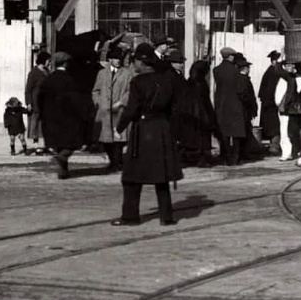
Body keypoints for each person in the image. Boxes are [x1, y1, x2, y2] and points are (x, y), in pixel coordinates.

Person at [114, 42, 182, 226]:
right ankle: (166, 217)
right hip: (162, 129)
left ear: (141, 62)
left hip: (143, 130)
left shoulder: (138, 82)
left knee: (131, 177)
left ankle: (130, 216)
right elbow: (175, 107)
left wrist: (119, 127)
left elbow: (132, 109)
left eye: (134, 60)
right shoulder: (167, 80)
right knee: (161, 176)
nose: (133, 64)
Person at [37, 51, 90, 179]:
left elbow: (40, 98)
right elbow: (76, 100)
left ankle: (63, 170)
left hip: (51, 119)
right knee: (72, 144)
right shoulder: (70, 80)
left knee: (59, 144)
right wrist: (83, 114)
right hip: (68, 118)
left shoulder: (48, 79)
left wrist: (43, 113)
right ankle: (62, 157)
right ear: (66, 63)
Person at [92, 49, 135, 172]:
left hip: (119, 110)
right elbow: (96, 91)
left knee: (119, 139)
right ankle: (113, 161)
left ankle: (117, 162)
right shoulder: (101, 73)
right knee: (106, 139)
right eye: (115, 59)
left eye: (119, 59)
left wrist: (122, 102)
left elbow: (130, 91)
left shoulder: (126, 74)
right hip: (105, 111)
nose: (118, 61)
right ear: (110, 60)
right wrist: (99, 102)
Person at [177, 59, 217, 166]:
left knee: (191, 137)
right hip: (201, 113)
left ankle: (189, 157)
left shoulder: (189, 82)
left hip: (190, 113)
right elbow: (205, 101)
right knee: (202, 138)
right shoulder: (201, 83)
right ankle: (202, 158)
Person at [213, 46, 246, 165]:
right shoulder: (235, 71)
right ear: (231, 57)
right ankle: (235, 158)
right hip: (235, 104)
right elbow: (240, 89)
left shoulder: (216, 70)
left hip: (221, 104)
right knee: (236, 133)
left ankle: (225, 157)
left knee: (224, 132)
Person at [258, 50, 285, 154]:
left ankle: (274, 146)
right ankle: (274, 147)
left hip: (269, 104)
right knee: (275, 126)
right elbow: (271, 90)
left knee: (271, 126)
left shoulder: (270, 71)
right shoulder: (274, 73)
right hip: (272, 105)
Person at [25, 50, 51, 153]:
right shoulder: (33, 73)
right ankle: (36, 146)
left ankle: (43, 145)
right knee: (35, 124)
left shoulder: (47, 72)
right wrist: (29, 103)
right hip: (35, 103)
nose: (49, 63)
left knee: (43, 125)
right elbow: (28, 89)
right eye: (48, 60)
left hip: (45, 103)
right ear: (43, 61)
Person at [273, 60, 297, 161]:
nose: (289, 67)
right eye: (287, 65)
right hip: (283, 108)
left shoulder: (293, 77)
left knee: (291, 131)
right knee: (284, 131)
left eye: (291, 65)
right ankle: (286, 152)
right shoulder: (283, 78)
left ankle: (292, 151)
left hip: (291, 108)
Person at [237, 56, 260, 159]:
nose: (249, 70)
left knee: (244, 131)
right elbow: (248, 96)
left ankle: (243, 153)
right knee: (245, 132)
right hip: (245, 110)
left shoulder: (239, 79)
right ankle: (243, 154)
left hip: (242, 110)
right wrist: (252, 108)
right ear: (245, 69)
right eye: (248, 68)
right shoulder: (244, 80)